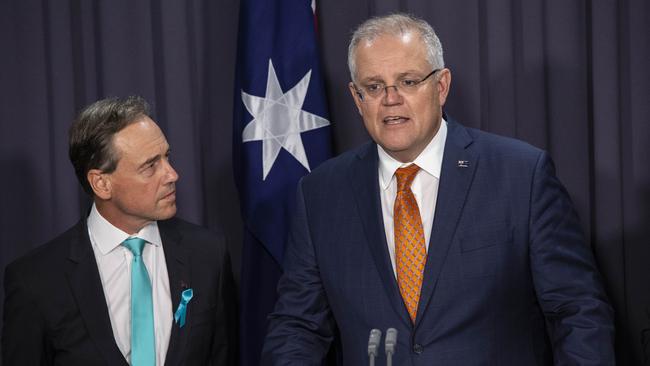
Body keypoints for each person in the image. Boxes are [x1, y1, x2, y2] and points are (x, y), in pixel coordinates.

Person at [262, 13, 615, 365]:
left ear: (441, 86)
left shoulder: (521, 175)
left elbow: (577, 312)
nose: (390, 99)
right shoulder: (321, 193)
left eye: (409, 81)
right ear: (357, 99)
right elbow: (298, 328)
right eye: (374, 86)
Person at [2, 96, 237, 365]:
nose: (172, 174)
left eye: (167, 157)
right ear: (101, 184)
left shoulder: (209, 255)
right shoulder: (36, 281)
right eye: (151, 166)